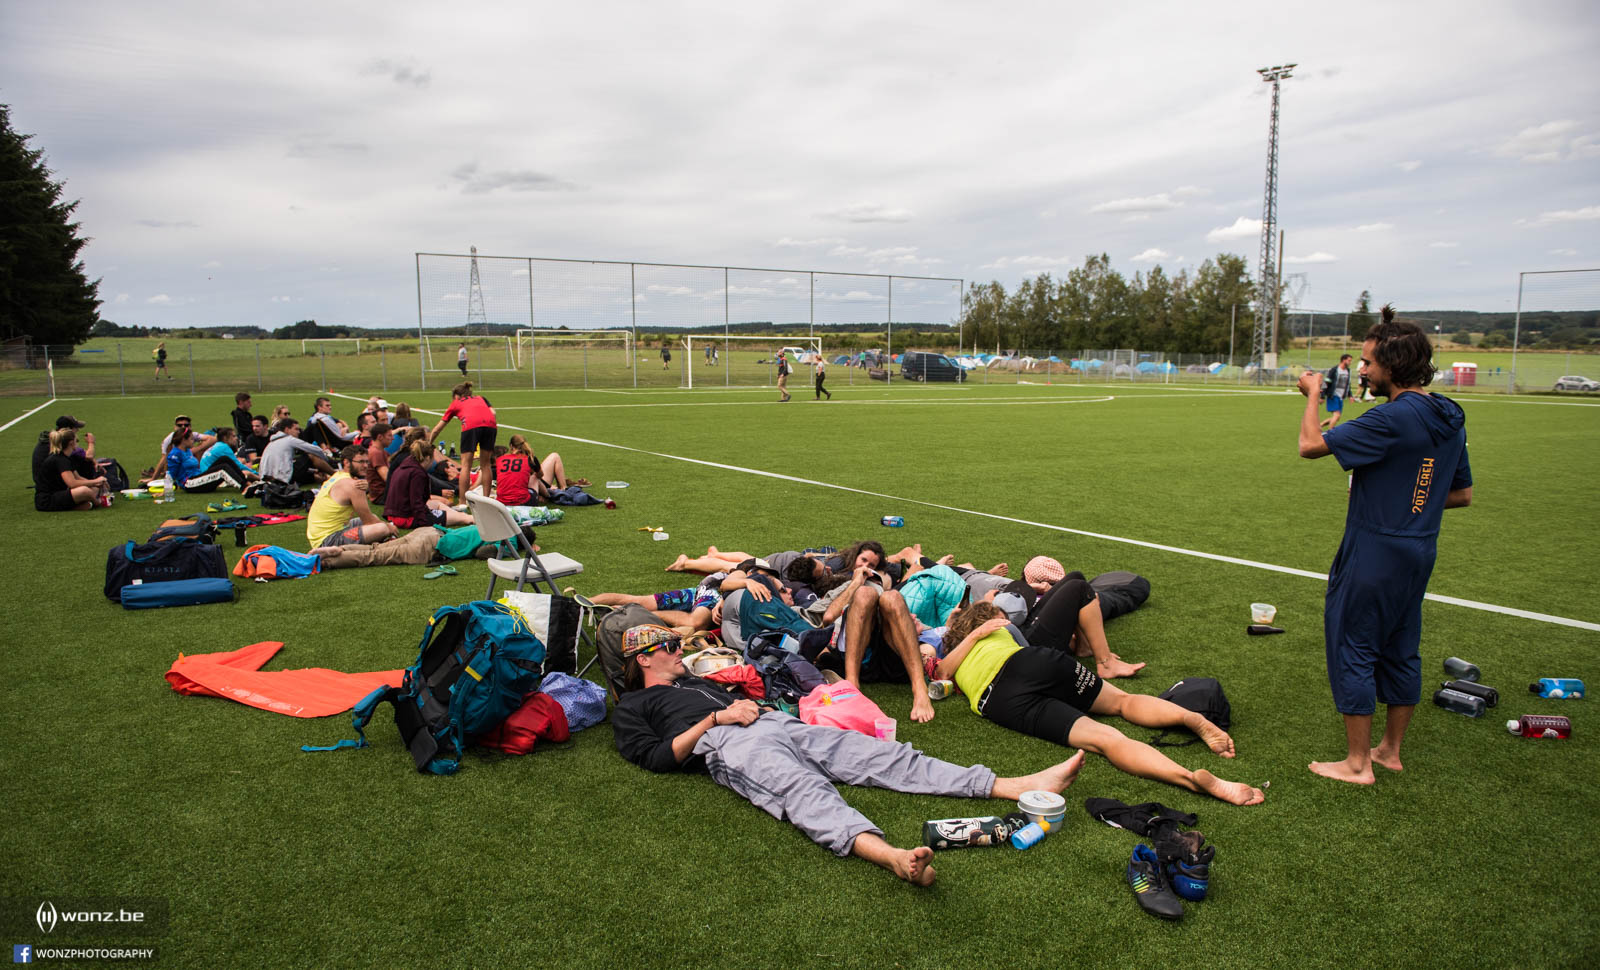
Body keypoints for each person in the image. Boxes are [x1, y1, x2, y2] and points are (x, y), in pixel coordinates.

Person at [611, 624, 1087, 886]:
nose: (678, 651)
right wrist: (716, 720)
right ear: (643, 659)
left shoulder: (691, 680)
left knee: (883, 756)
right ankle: (892, 857)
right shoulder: (634, 705)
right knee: (803, 792)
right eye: (667, 646)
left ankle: (1012, 785)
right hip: (728, 743)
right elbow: (657, 758)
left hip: (775, 722)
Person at [1296, 305, 1472, 786]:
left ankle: (1357, 764)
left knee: (1352, 643)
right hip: (1418, 549)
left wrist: (1314, 394)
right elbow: (1459, 494)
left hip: (1374, 551)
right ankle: (1389, 751)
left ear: (1392, 366)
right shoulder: (1449, 414)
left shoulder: (1391, 418)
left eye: (1370, 363)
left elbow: (1310, 445)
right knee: (1401, 645)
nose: (1364, 370)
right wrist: (1410, 501)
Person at [935, 603, 1263, 806]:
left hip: (999, 700)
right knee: (1122, 702)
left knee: (1107, 740)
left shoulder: (952, 652)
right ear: (990, 618)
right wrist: (983, 630)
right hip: (1027, 663)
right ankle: (1193, 718)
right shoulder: (994, 629)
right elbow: (951, 662)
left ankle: (1189, 778)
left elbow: (943, 671)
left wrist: (963, 634)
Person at [305, 446, 397, 549]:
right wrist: (389, 527)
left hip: (320, 536)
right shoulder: (355, 485)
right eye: (361, 462)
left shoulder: (338, 475)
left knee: (374, 518)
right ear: (346, 462)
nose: (365, 465)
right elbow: (368, 522)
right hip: (328, 541)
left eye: (367, 462)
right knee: (381, 529)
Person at [427, 381, 497, 501]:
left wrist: (428, 443)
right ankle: (487, 500)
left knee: (466, 465)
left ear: (457, 396)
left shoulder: (456, 403)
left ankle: (462, 501)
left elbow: (438, 428)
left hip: (470, 426)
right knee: (485, 465)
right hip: (491, 425)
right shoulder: (481, 398)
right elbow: (493, 412)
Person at [385, 436, 473, 529]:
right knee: (465, 518)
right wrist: (426, 521)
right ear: (427, 458)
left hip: (395, 514)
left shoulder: (406, 466)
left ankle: (457, 515)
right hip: (406, 518)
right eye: (432, 459)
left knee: (438, 504)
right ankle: (468, 518)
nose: (433, 462)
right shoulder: (417, 474)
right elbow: (416, 502)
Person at [35, 428, 107, 511]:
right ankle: (97, 502)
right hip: (47, 500)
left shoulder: (66, 458)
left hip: (59, 494)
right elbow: (72, 483)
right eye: (77, 441)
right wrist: (95, 481)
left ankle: (79, 505)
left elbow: (78, 478)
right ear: (71, 443)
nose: (78, 443)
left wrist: (97, 483)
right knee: (84, 490)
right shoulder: (60, 459)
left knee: (94, 488)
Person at [258, 418, 335, 486]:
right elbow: (316, 450)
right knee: (311, 456)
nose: (299, 432)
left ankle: (322, 477)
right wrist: (327, 460)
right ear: (287, 430)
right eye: (296, 429)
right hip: (283, 478)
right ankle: (335, 474)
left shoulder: (271, 443)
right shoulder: (289, 440)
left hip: (268, 479)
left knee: (308, 472)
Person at [194, 428, 260, 489]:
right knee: (246, 473)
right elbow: (238, 466)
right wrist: (256, 473)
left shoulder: (218, 445)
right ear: (225, 438)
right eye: (233, 436)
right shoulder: (224, 447)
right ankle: (260, 479)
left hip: (206, 475)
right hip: (209, 478)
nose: (236, 438)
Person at [1320, 354, 1354, 430]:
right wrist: (1322, 396)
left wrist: (1350, 395)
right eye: (1349, 360)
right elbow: (1326, 382)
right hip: (1333, 396)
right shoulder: (1334, 370)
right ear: (1343, 360)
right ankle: (1330, 433)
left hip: (1341, 397)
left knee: (1336, 418)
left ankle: (1320, 426)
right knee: (1337, 415)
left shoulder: (1347, 371)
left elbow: (1348, 385)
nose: (1350, 362)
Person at [363, 423, 394, 505]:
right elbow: (387, 478)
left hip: (381, 493)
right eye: (389, 436)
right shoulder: (376, 453)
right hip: (381, 495)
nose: (393, 438)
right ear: (380, 437)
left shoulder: (380, 451)